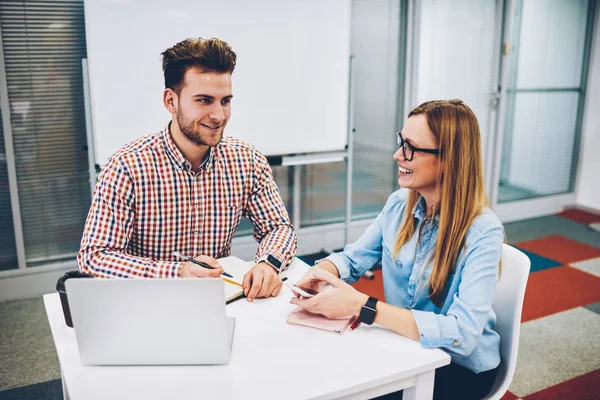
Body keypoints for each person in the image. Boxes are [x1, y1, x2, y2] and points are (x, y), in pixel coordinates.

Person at [291, 100, 503, 399]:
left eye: (411, 148)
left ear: (450, 159)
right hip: (406, 347)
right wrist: (321, 272)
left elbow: (463, 335)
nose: (397, 155)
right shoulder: (399, 204)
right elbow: (353, 258)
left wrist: (364, 306)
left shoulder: (483, 232)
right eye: (400, 142)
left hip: (459, 369)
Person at [78, 38, 297, 302]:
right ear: (171, 101)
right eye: (204, 100)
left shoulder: (247, 160)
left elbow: (278, 228)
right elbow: (95, 257)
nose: (219, 115)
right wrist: (178, 273)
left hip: (220, 301)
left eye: (225, 101)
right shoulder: (127, 167)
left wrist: (268, 263)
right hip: (148, 302)